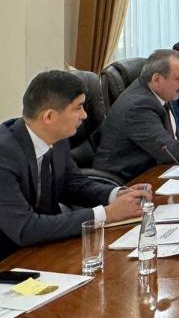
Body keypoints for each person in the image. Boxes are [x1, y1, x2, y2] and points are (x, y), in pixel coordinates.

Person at [0, 71, 149, 260]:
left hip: (45, 246)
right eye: (78, 107)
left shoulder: (57, 138)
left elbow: (74, 184)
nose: (84, 115)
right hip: (9, 258)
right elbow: (25, 228)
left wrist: (116, 195)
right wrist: (106, 214)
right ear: (49, 117)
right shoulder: (4, 153)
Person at [94, 49, 179, 183]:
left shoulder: (157, 92)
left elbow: (165, 134)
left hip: (151, 170)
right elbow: (168, 151)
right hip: (126, 181)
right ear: (157, 79)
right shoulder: (138, 106)